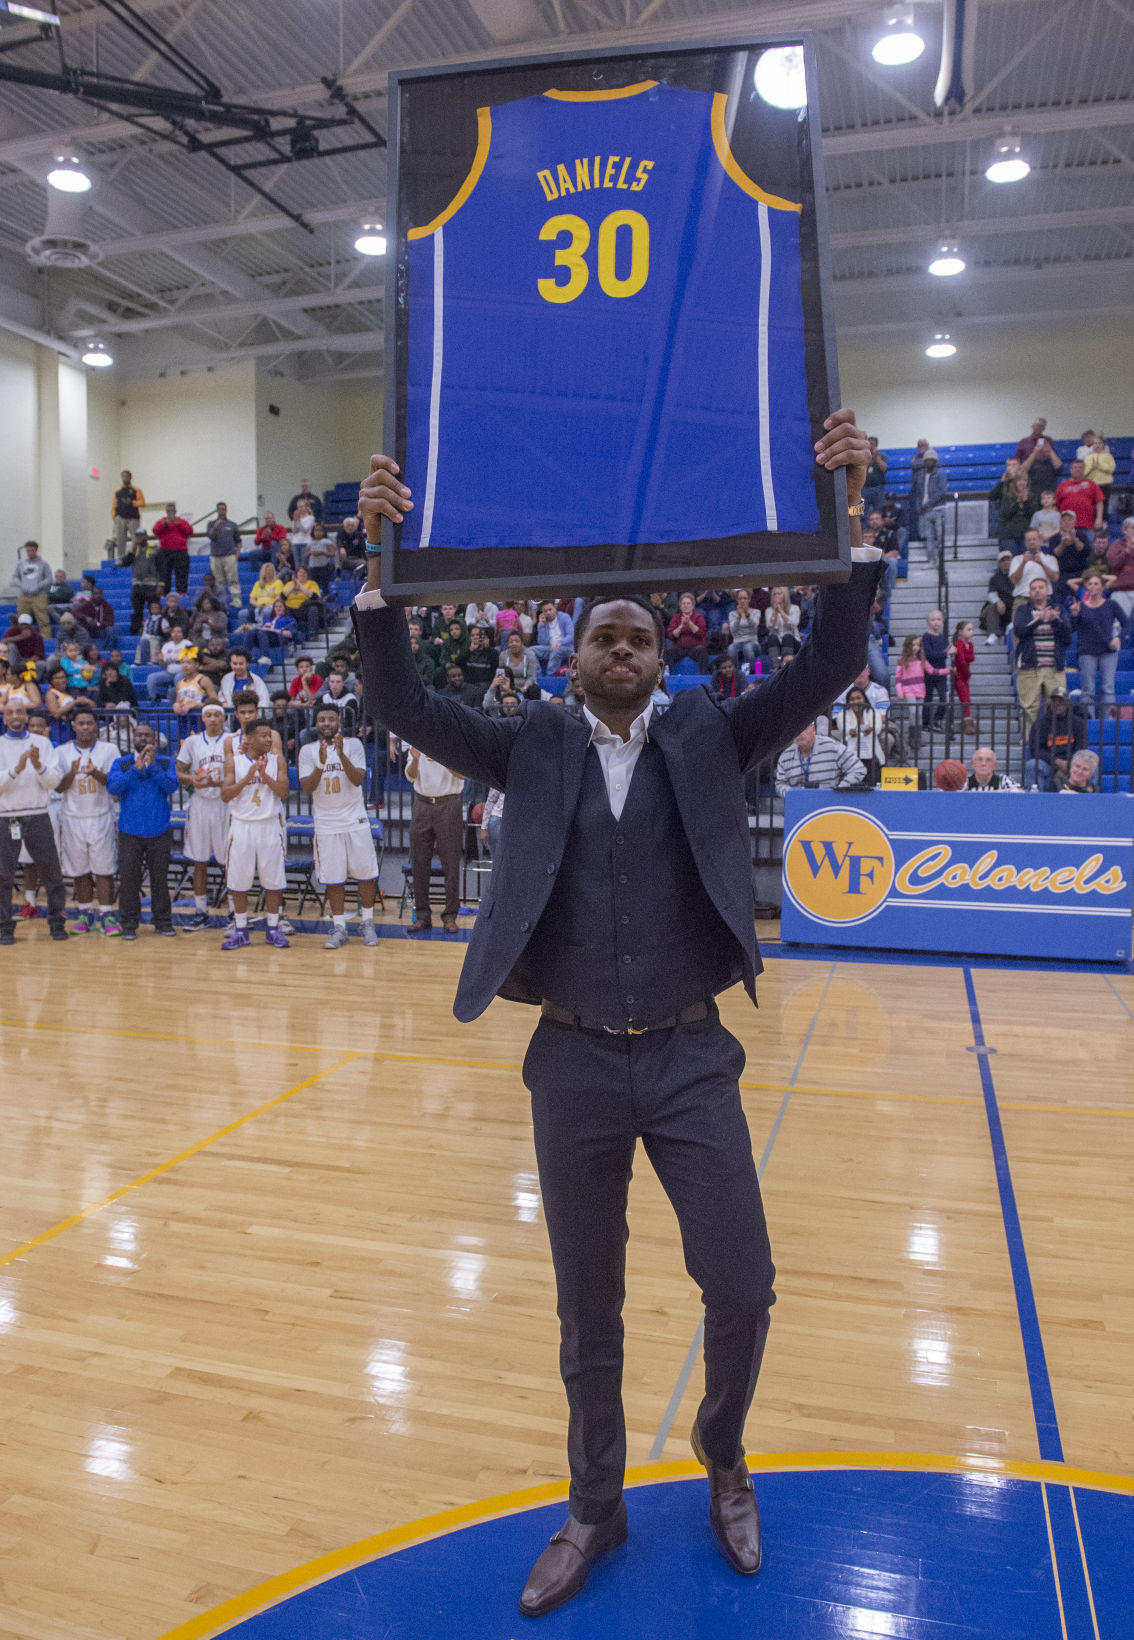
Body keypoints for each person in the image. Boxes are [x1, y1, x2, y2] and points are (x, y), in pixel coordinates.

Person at [355, 417, 879, 1613]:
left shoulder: (713, 730)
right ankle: (595, 1504)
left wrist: (848, 520)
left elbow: (828, 665)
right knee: (585, 1306)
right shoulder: (530, 741)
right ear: (574, 653)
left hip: (692, 1056)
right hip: (575, 1065)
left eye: (641, 633)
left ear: (664, 651)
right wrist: (380, 561)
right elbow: (397, 696)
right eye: (605, 634)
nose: (625, 646)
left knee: (741, 1285)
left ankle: (724, 1452)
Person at [299, 705, 380, 949]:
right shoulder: (307, 751)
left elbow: (357, 780)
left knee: (366, 874)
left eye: (331, 719)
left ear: (338, 722)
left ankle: (367, 923)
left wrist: (341, 755)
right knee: (334, 879)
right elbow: (307, 787)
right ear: (316, 723)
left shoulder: (354, 745)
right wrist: (321, 764)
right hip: (326, 824)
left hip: (355, 820)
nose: (326, 723)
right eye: (322, 719)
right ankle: (339, 927)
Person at [0, 695, 67, 944]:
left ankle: (57, 924)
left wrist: (38, 765)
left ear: (27, 716)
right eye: (10, 712)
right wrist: (16, 769)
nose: (16, 716)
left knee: (52, 873)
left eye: (20, 712)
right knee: (3, 877)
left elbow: (54, 782)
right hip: (6, 818)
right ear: (4, 717)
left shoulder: (43, 743)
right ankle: (5, 928)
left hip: (38, 815)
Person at [220, 719, 291, 948]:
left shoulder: (278, 761)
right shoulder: (235, 762)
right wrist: (248, 776)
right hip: (242, 826)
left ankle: (273, 929)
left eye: (270, 735)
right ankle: (241, 930)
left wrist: (264, 776)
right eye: (263, 735)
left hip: (269, 825)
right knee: (238, 881)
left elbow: (283, 792)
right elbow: (225, 795)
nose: (269, 739)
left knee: (273, 881)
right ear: (249, 738)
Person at [106, 723, 178, 939]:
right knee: (129, 881)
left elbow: (171, 787)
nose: (143, 738)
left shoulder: (165, 762)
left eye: (147, 734)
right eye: (139, 734)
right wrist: (137, 768)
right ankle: (128, 924)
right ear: (133, 738)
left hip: (159, 830)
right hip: (130, 830)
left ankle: (163, 922)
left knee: (160, 880)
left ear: (154, 739)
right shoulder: (122, 762)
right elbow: (114, 789)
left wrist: (153, 765)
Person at [56, 706, 121, 935]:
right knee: (79, 869)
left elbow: (115, 784)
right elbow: (58, 787)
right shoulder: (62, 752)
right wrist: (72, 773)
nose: (85, 727)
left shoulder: (109, 749)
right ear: (73, 726)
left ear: (96, 726)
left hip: (101, 816)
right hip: (73, 817)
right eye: (80, 723)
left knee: (104, 869)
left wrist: (95, 773)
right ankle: (85, 913)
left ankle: (106, 913)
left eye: (89, 723)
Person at [176, 701, 231, 931]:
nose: (212, 719)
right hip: (199, 804)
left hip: (224, 804)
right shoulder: (192, 742)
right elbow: (178, 771)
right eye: (208, 715)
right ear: (203, 718)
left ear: (223, 718)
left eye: (216, 715)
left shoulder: (232, 740)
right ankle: (200, 911)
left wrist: (218, 782)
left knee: (229, 861)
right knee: (199, 860)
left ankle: (234, 914)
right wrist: (192, 779)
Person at [403, 742, 465, 935]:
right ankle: (422, 916)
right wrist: (415, 759)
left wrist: (442, 755)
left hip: (449, 803)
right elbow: (411, 776)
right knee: (419, 863)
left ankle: (450, 916)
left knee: (450, 863)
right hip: (422, 803)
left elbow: (463, 775)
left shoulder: (453, 743)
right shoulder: (416, 741)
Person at [1013, 577, 1071, 728]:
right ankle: (1029, 745)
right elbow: (1020, 631)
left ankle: (1053, 745)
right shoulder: (1023, 610)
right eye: (1034, 588)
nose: (1037, 590)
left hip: (1055, 668)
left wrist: (1054, 620)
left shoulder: (1059, 609)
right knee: (1029, 709)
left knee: (1057, 708)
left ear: (1048, 591)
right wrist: (1040, 620)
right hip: (1029, 668)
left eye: (1041, 587)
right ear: (1030, 593)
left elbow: (1067, 636)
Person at [1070, 576, 1125, 718]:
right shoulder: (1080, 606)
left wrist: (1118, 638)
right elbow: (1072, 628)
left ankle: (1106, 722)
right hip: (1087, 651)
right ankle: (1088, 721)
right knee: (1088, 689)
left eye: (1096, 584)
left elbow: (1127, 623)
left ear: (1102, 587)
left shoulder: (1111, 604)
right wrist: (1074, 615)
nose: (1093, 586)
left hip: (1108, 650)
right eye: (1090, 584)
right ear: (1086, 587)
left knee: (1108, 689)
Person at [774, 720, 867, 794]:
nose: (800, 733)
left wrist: (840, 790)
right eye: (796, 731)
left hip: (829, 805)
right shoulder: (785, 756)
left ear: (813, 730)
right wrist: (792, 794)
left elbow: (858, 769)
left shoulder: (832, 747)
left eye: (804, 728)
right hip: (799, 806)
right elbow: (780, 783)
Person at [1023, 689, 1087, 791]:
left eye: (1061, 701)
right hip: (1048, 764)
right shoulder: (1040, 724)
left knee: (1090, 766)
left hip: (1073, 764)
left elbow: (1081, 748)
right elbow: (1036, 750)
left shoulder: (1078, 723)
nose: (1057, 704)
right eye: (1054, 701)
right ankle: (1034, 801)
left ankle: (1088, 800)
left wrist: (1069, 764)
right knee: (1031, 765)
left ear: (1067, 703)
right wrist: (1056, 764)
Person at [825, 686, 884, 784]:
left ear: (864, 699)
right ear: (848, 702)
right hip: (851, 750)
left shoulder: (873, 712)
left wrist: (871, 730)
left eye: (859, 698)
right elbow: (844, 728)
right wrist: (851, 731)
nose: (856, 701)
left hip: (871, 750)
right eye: (852, 699)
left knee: (873, 772)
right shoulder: (842, 714)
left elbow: (877, 727)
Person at [1055, 460, 1105, 552]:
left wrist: (1099, 518)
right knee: (1068, 551)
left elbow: (1099, 501)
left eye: (1080, 468)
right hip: (1067, 527)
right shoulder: (1063, 485)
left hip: (1087, 525)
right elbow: (1056, 505)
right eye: (1075, 467)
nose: (1077, 470)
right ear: (1070, 469)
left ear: (1084, 470)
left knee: (1088, 550)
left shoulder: (1091, 483)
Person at [9, 541, 52, 637]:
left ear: (36, 550)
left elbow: (49, 579)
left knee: (43, 619)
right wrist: (21, 585)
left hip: (39, 596)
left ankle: (45, 639)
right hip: (24, 596)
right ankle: (23, 638)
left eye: (31, 550)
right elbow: (15, 577)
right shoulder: (21, 564)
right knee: (22, 619)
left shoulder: (44, 564)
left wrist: (38, 586)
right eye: (27, 550)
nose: (29, 553)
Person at [914, 447, 947, 565]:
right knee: (929, 537)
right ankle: (931, 560)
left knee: (939, 536)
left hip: (938, 509)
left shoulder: (941, 474)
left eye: (931, 460)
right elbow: (918, 493)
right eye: (927, 460)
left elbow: (941, 492)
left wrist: (927, 504)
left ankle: (941, 561)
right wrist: (919, 507)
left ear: (935, 461)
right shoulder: (920, 476)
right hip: (925, 511)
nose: (929, 462)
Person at [1009, 530, 1059, 606]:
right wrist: (1023, 563)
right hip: (1022, 601)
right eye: (1029, 540)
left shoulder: (1050, 559)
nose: (1032, 542)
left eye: (1034, 539)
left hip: (1044, 601)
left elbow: (1055, 578)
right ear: (1025, 543)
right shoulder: (1017, 559)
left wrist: (1041, 563)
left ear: (1040, 542)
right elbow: (1014, 580)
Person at [204, 503, 242, 600]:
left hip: (230, 556)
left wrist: (236, 557)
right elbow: (210, 536)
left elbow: (238, 542)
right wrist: (215, 526)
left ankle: (236, 599)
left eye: (223, 509)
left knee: (233, 579)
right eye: (220, 509)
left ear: (226, 510)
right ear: (217, 511)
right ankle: (221, 602)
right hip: (215, 556)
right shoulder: (211, 524)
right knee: (218, 582)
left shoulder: (233, 525)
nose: (221, 511)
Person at [153, 501, 192, 594]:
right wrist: (164, 524)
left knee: (181, 575)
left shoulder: (182, 521)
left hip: (180, 552)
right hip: (165, 552)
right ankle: (164, 595)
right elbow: (155, 531)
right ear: (166, 511)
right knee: (164, 575)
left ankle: (182, 595)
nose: (170, 512)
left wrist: (178, 524)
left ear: (175, 511)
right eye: (169, 510)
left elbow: (189, 531)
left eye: (172, 510)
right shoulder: (162, 521)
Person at [1015, 418, 1062, 494]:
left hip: (1047, 473)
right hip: (1029, 475)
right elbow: (1017, 460)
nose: (1039, 427)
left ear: (1044, 428)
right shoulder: (1023, 442)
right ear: (1033, 426)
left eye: (1041, 426)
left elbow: (1055, 458)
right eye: (1037, 425)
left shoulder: (1048, 440)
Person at [921, 609, 950, 730]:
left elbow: (944, 652)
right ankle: (926, 723)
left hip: (941, 673)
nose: (936, 622)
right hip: (928, 673)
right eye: (933, 620)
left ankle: (938, 719)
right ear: (928, 622)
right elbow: (929, 654)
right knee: (928, 698)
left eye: (938, 619)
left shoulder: (943, 637)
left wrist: (946, 653)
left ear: (942, 622)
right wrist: (945, 653)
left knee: (944, 698)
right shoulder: (926, 637)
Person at [665, 594, 710, 672]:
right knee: (668, 651)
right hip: (680, 648)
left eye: (688, 603)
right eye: (683, 604)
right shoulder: (676, 617)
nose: (686, 606)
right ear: (680, 606)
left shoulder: (699, 617)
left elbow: (701, 634)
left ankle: (704, 675)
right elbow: (671, 635)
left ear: (693, 606)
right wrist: (681, 625)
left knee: (702, 650)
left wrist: (689, 622)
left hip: (695, 648)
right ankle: (667, 675)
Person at [147, 625, 192, 701]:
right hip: (169, 672)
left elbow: (192, 661)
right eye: (173, 632)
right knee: (151, 677)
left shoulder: (188, 644)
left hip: (184, 671)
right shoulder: (166, 646)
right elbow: (163, 666)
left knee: (178, 678)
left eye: (178, 632)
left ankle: (180, 700)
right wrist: (160, 660)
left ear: (182, 634)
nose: (176, 634)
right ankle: (153, 698)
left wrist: (179, 659)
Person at [1047, 512, 1092, 586]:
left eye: (1069, 520)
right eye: (1064, 520)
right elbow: (1053, 555)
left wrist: (1075, 540)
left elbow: (1086, 552)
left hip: (1079, 573)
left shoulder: (1082, 536)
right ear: (1060, 523)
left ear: (1074, 522)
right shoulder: (1054, 538)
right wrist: (1062, 544)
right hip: (1061, 573)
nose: (1066, 522)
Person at [130, 530, 163, 633]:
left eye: (141, 536)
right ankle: (136, 631)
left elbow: (162, 567)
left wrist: (160, 584)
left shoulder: (154, 549)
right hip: (137, 586)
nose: (139, 538)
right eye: (137, 536)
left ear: (146, 536)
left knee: (153, 609)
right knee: (137, 610)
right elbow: (126, 561)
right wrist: (134, 548)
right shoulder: (134, 551)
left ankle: (154, 630)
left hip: (151, 585)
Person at [761, 587, 800, 671]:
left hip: (792, 640)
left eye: (779, 594)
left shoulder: (795, 608)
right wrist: (775, 613)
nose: (776, 596)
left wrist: (781, 612)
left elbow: (793, 624)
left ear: (785, 595)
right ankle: (776, 667)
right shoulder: (769, 610)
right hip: (776, 642)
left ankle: (787, 665)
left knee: (787, 636)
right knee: (772, 637)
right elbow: (769, 626)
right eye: (774, 594)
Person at [172, 649, 220, 717]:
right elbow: (178, 702)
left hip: (200, 720)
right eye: (182, 662)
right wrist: (175, 705)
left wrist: (195, 705)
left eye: (189, 663)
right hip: (184, 721)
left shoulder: (204, 680)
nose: (185, 666)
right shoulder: (179, 683)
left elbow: (216, 703)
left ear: (197, 664)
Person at [111, 470, 146, 562]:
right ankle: (120, 557)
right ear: (121, 477)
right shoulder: (117, 491)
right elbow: (114, 505)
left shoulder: (136, 490)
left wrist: (132, 503)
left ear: (131, 477)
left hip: (133, 518)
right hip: (121, 518)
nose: (125, 478)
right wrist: (114, 516)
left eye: (127, 476)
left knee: (135, 538)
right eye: (124, 476)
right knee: (120, 539)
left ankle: (134, 555)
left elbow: (142, 502)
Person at [725, 589, 762, 673]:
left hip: (753, 642)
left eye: (745, 598)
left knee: (747, 648)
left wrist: (747, 615)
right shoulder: (732, 614)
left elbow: (754, 627)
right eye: (740, 598)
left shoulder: (756, 612)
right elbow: (733, 630)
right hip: (737, 642)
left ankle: (752, 673)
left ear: (749, 599)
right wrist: (738, 617)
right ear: (737, 600)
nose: (742, 601)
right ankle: (736, 672)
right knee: (731, 648)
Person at [533, 601, 574, 675]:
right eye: (545, 611)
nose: (548, 612)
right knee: (531, 650)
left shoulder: (564, 617)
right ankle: (538, 675)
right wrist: (541, 626)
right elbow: (542, 643)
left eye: (550, 609)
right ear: (542, 612)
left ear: (555, 608)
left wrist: (560, 643)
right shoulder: (543, 623)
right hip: (550, 648)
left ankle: (550, 676)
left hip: (566, 648)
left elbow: (571, 636)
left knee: (557, 651)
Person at [282, 565, 324, 637]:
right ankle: (286, 635)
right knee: (280, 608)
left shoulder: (312, 583)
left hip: (304, 609)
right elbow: (283, 596)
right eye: (300, 572)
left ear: (307, 575)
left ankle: (312, 634)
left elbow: (315, 597)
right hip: (290, 608)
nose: (302, 574)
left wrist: (300, 586)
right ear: (296, 574)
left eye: (305, 573)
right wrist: (293, 585)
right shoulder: (289, 584)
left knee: (313, 609)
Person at [1106, 517, 1134, 620]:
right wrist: (1126, 551)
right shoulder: (1116, 545)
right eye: (1133, 528)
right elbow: (1113, 564)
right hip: (1121, 590)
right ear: (1124, 530)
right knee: (1118, 623)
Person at [952, 620, 975, 731]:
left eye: (972, 629)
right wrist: (967, 674)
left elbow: (971, 657)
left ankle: (966, 722)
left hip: (965, 675)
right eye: (968, 629)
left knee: (966, 698)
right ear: (960, 632)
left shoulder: (969, 644)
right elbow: (961, 660)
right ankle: (967, 723)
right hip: (960, 675)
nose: (971, 632)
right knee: (965, 698)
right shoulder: (959, 643)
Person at [304, 523, 336, 593]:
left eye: (320, 530)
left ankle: (326, 597)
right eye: (316, 530)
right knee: (315, 584)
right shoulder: (310, 543)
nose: (318, 532)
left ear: (324, 532)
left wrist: (322, 553)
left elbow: (333, 553)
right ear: (313, 532)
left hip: (324, 566)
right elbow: (306, 554)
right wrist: (310, 553)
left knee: (324, 584)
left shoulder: (327, 542)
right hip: (313, 566)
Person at [862, 435, 888, 518]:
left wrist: (876, 457)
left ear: (876, 445)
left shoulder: (882, 456)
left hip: (878, 488)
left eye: (872, 443)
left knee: (879, 511)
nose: (870, 445)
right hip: (864, 488)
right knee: (863, 513)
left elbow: (884, 468)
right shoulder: (863, 457)